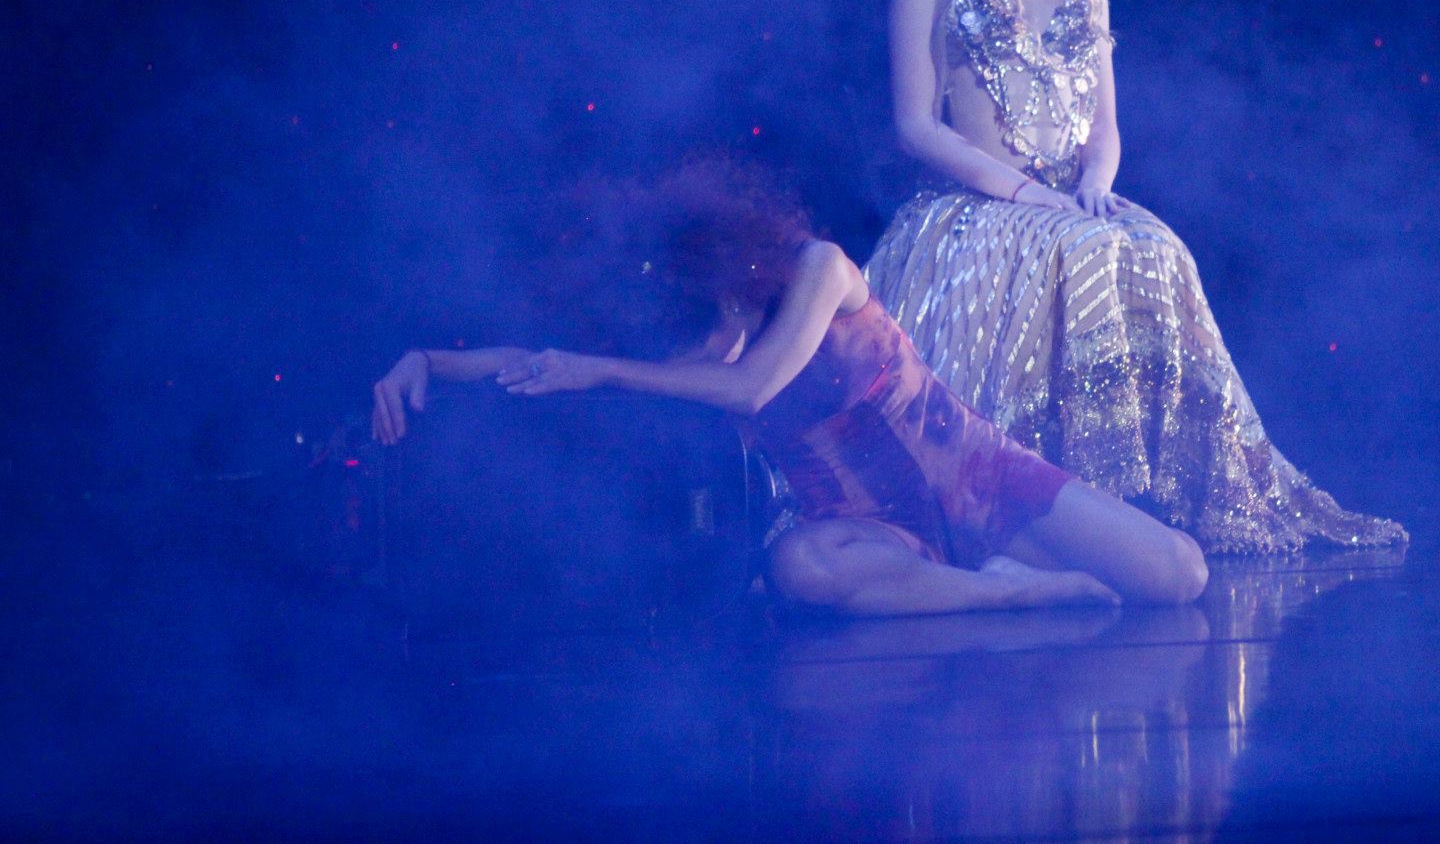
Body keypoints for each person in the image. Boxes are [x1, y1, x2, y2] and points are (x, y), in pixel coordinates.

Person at [864, 0, 1407, 553]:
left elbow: (1105, 125)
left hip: (1069, 198)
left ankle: (1152, 502)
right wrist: (1023, 194)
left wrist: (1094, 181)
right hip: (979, 208)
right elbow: (916, 126)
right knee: (1080, 250)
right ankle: (1035, 509)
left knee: (1157, 250)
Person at [369, 153, 1208, 616]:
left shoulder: (820, 270)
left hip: (976, 476)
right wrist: (428, 362)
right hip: (871, 531)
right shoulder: (695, 338)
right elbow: (531, 361)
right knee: (797, 566)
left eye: (722, 303)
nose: (715, 334)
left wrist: (609, 370)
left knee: (1180, 575)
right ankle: (1001, 596)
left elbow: (754, 389)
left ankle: (995, 575)